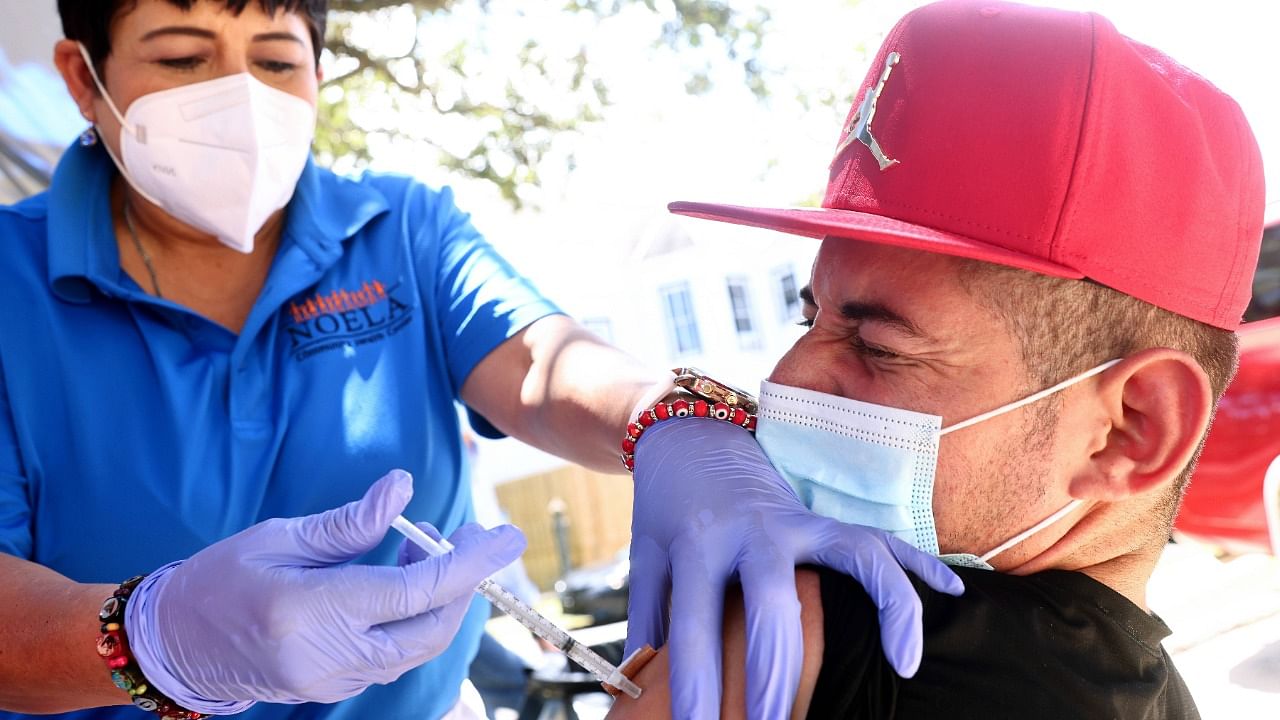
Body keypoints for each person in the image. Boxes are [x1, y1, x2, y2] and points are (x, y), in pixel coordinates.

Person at [0, 2, 963, 719]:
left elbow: (544, 366)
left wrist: (676, 421)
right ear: (85, 79)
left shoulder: (400, 231)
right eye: (182, 57)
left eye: (276, 60)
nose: (239, 101)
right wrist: (150, 639)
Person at [608, 1, 1263, 717]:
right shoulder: (1162, 697)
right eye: (809, 316)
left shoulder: (795, 639)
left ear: (1134, 427)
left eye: (876, 345)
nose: (785, 379)